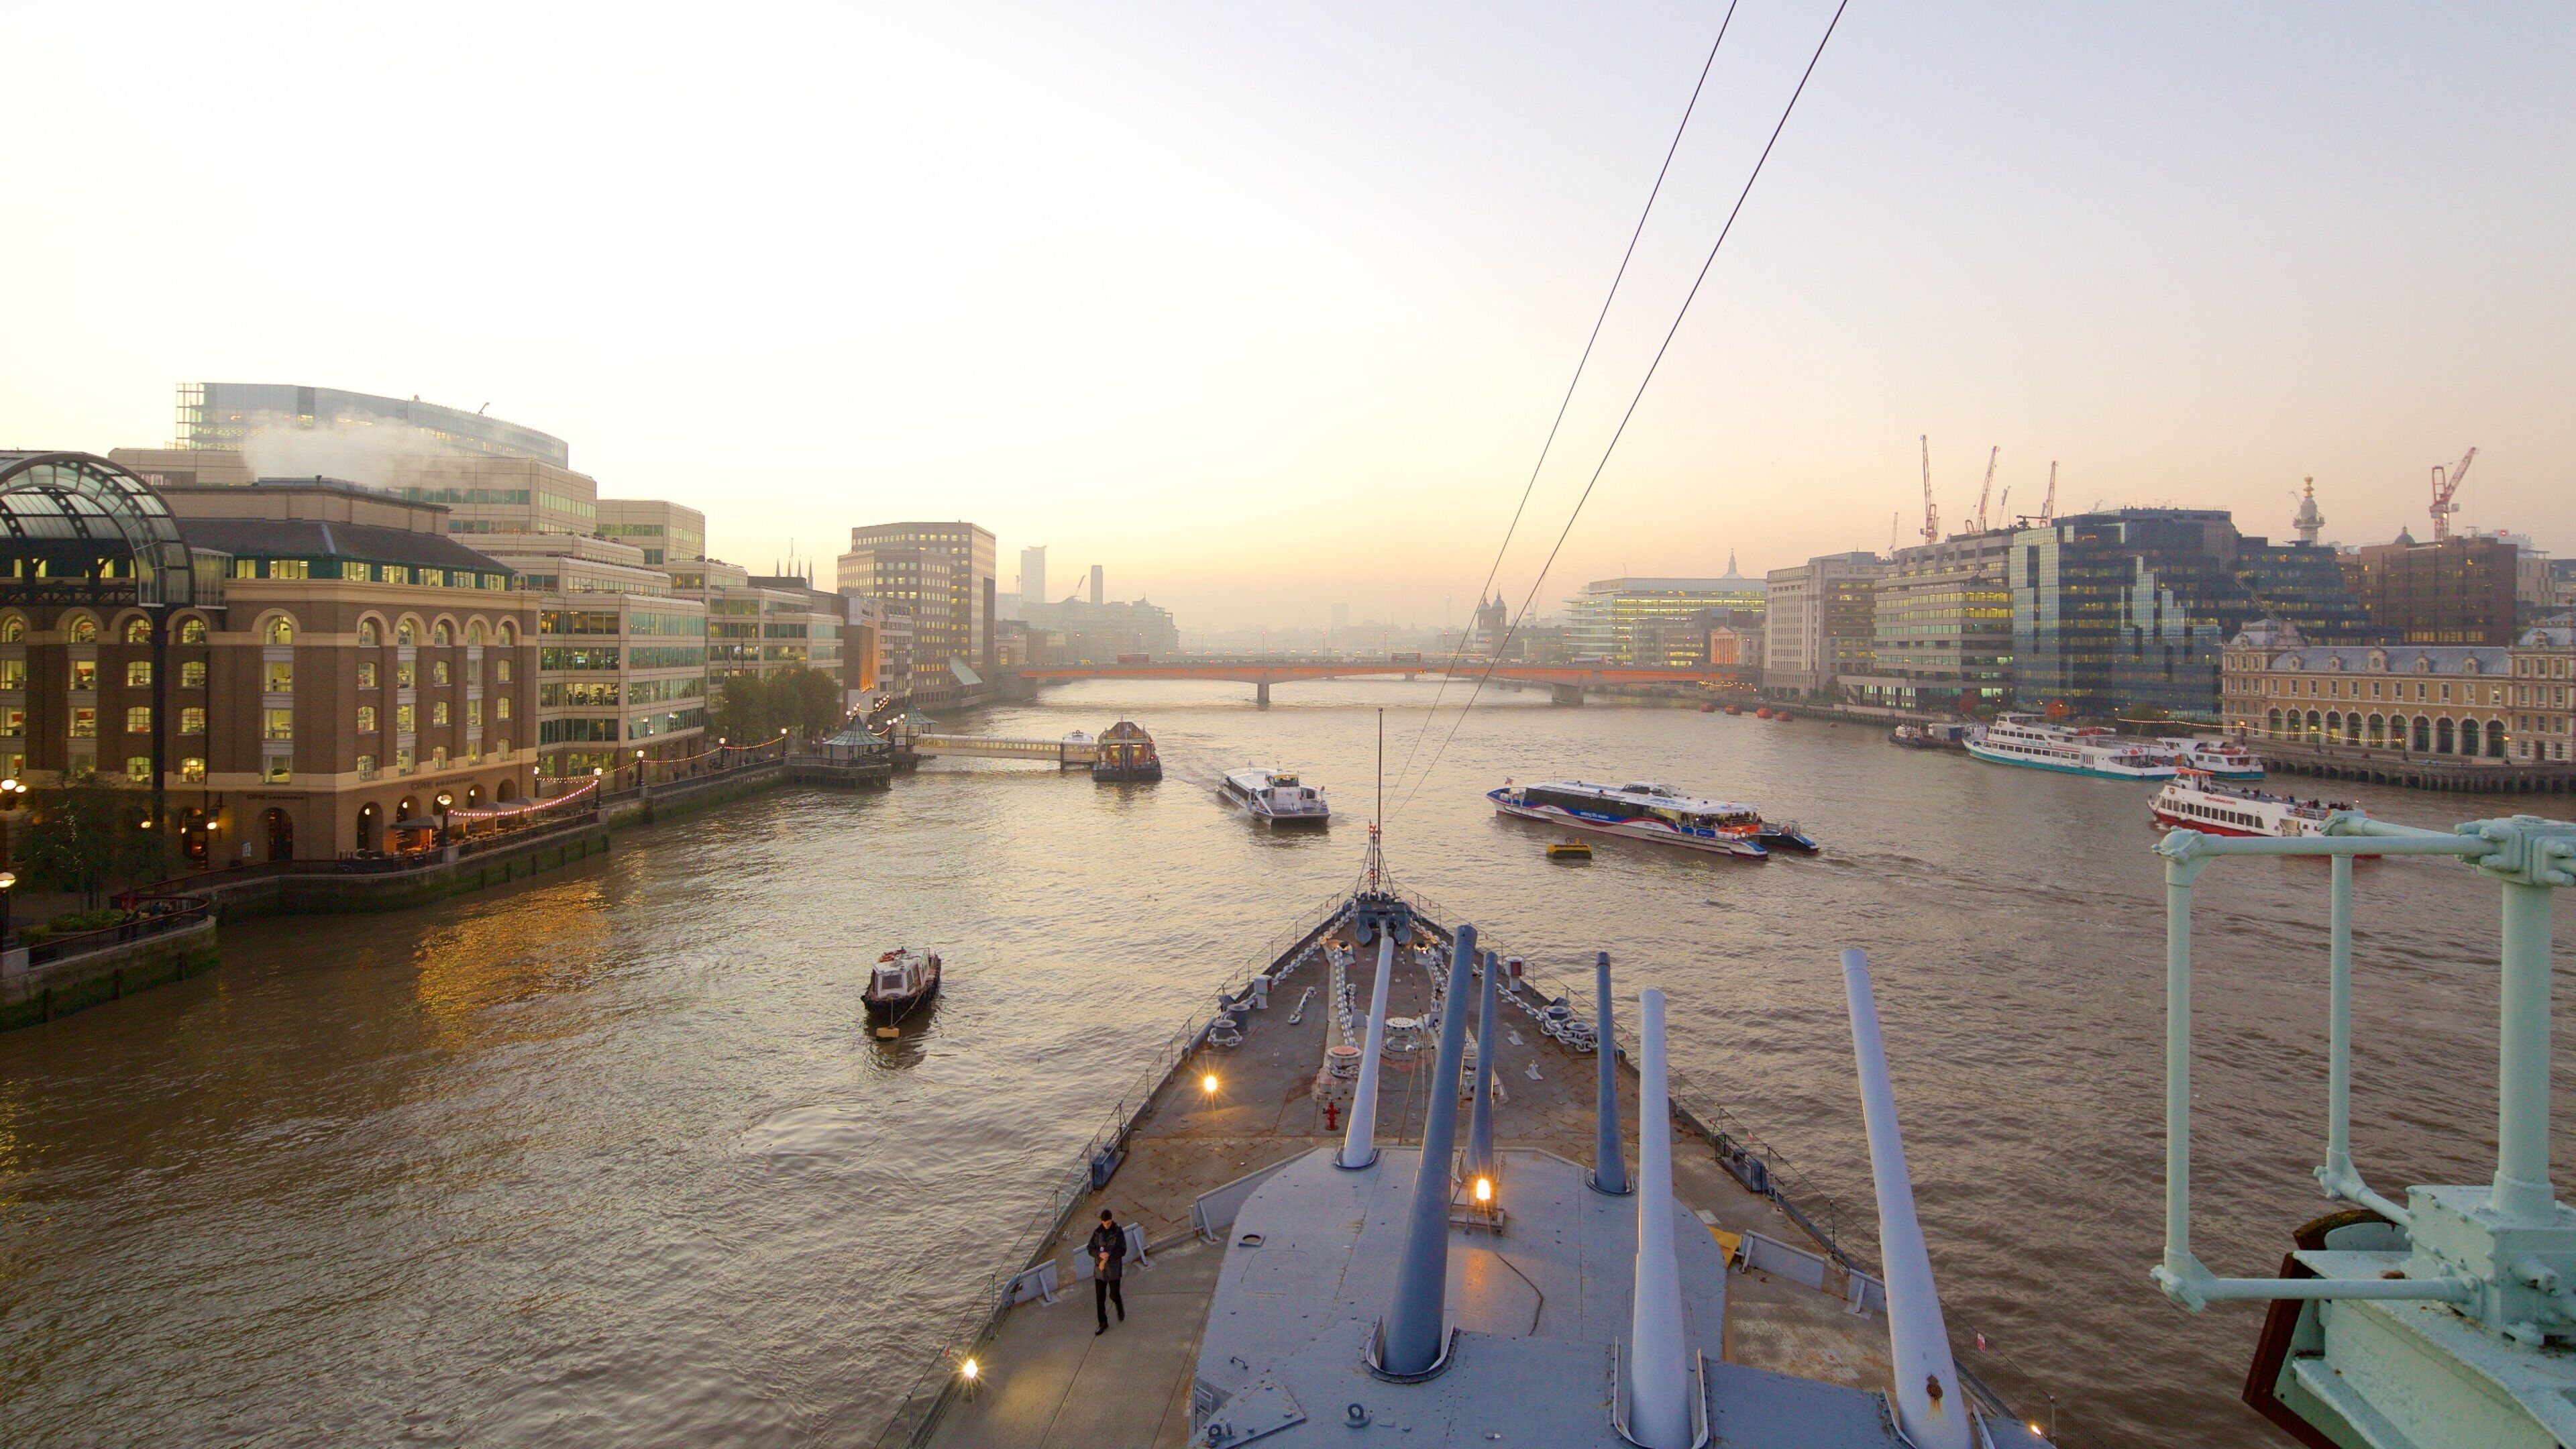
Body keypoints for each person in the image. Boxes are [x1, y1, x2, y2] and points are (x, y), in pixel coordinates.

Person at [1089, 1208, 1128, 1334]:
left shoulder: (1117, 1232)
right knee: (1100, 1299)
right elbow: (1090, 1248)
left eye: (1109, 1223)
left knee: (1114, 1294)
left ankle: (1118, 1304)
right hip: (1100, 1272)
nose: (1107, 1226)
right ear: (1102, 1222)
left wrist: (1108, 1256)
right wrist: (1100, 1254)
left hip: (1113, 1270)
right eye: (1105, 1224)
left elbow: (1123, 1250)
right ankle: (1103, 1323)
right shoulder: (1097, 1233)